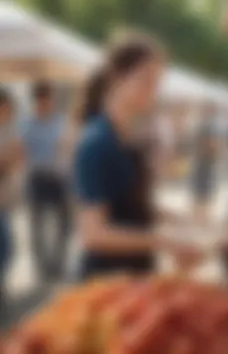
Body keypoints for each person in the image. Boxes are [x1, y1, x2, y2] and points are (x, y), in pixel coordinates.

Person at [74, 33, 202, 279]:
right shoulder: (97, 142)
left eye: (157, 81)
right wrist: (163, 241)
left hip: (136, 275)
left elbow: (129, 205)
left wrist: (180, 219)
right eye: (146, 80)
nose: (153, 90)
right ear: (118, 78)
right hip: (106, 282)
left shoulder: (129, 137)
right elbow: (94, 234)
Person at [22, 81, 71, 280]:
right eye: (43, 100)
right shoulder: (26, 124)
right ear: (37, 101)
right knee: (37, 225)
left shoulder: (62, 122)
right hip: (37, 176)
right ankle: (42, 267)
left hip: (59, 177)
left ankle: (57, 263)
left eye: (49, 100)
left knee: (65, 224)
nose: (47, 104)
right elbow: (22, 151)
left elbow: (67, 147)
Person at [0, 88, 23, 306]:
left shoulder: (10, 130)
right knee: (7, 246)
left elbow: (18, 159)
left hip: (6, 199)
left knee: (7, 246)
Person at [191, 103, 221, 226]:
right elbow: (208, 144)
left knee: (203, 189)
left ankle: (200, 216)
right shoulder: (206, 126)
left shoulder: (204, 125)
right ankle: (200, 217)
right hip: (204, 161)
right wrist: (214, 149)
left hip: (203, 161)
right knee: (203, 189)